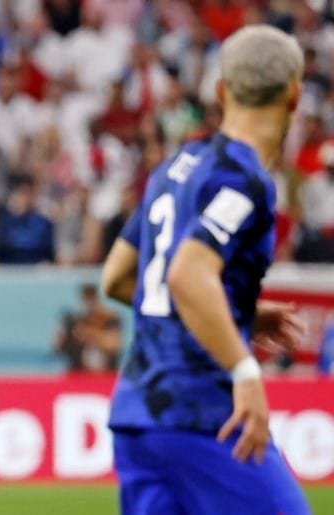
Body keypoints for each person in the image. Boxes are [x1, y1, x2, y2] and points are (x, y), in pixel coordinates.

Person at [99, 25, 310, 515]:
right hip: (201, 414)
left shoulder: (175, 166)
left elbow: (118, 277)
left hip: (137, 416)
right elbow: (187, 274)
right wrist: (245, 370)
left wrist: (235, 313)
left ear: (222, 90)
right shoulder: (243, 180)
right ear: (295, 94)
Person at [54, 283, 122, 373]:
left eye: (91, 299)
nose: (88, 304)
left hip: (106, 374)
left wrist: (89, 334)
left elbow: (114, 345)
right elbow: (59, 348)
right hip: (78, 373)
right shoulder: (75, 320)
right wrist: (62, 336)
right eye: (86, 299)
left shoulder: (109, 318)